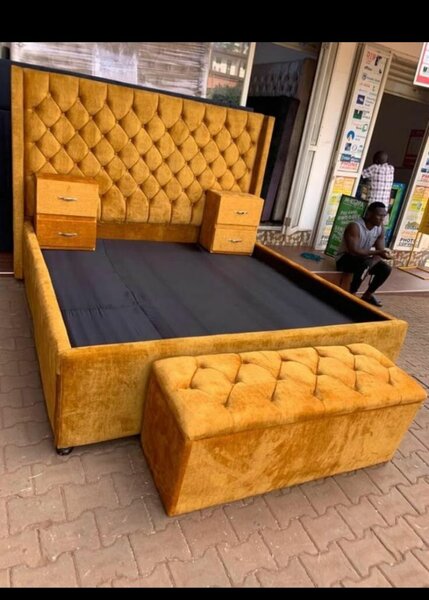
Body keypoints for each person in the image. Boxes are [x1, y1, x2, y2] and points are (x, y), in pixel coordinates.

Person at [336, 202, 392, 307]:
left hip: (363, 259)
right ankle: (351, 295)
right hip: (345, 259)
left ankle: (368, 295)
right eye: (379, 215)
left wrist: (376, 260)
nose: (382, 219)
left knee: (386, 269)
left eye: (384, 216)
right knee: (364, 263)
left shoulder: (380, 228)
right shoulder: (354, 226)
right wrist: (377, 254)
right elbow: (354, 250)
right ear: (369, 214)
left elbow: (380, 250)